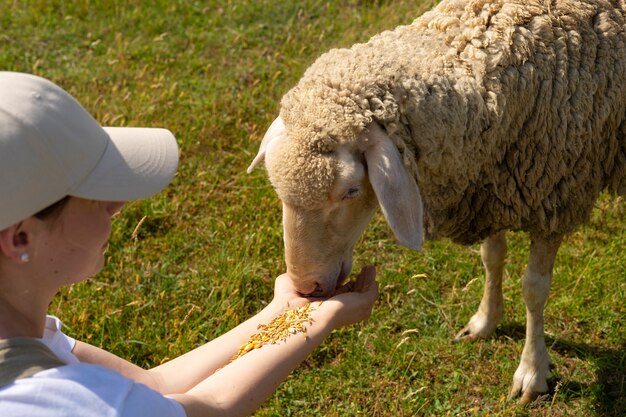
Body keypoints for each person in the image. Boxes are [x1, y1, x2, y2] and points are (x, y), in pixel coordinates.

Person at [0, 72, 379, 416]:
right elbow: (209, 408)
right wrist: (322, 319)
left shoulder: (31, 339)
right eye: (92, 195)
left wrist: (282, 311)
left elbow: (153, 387)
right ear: (20, 238)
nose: (116, 205)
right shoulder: (64, 403)